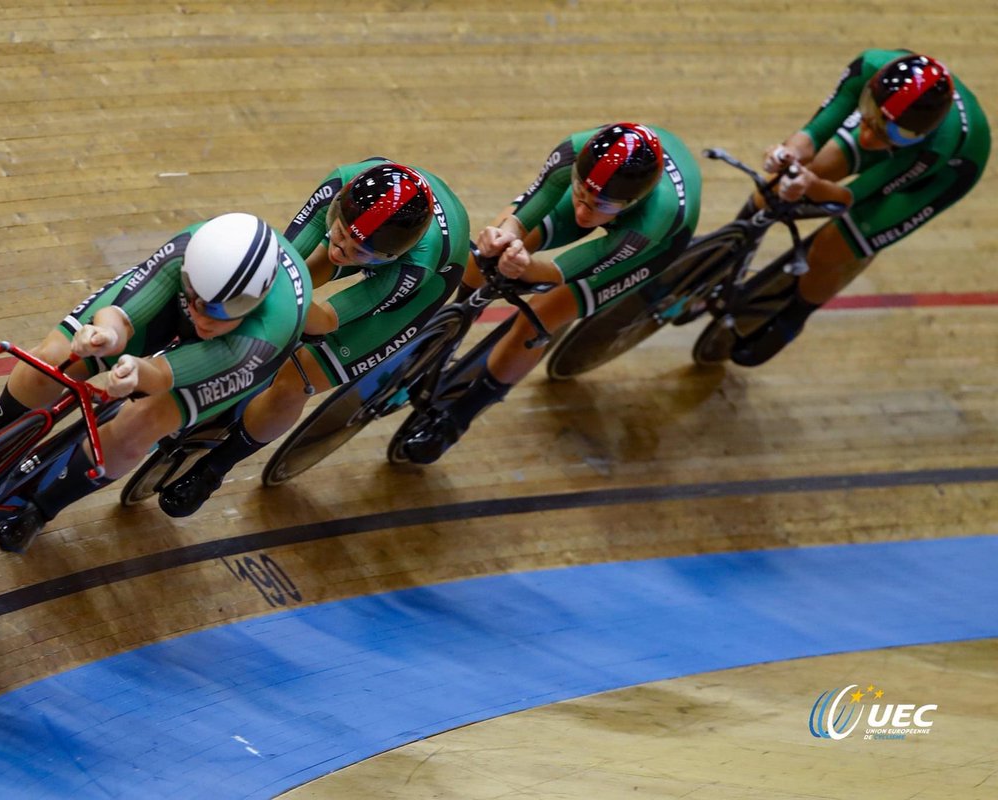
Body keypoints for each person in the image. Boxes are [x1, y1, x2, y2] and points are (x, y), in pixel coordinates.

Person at [0, 212, 311, 552]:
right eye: (196, 299)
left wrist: (132, 374)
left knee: (140, 423)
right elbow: (122, 315)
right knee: (52, 360)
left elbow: (158, 376)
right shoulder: (185, 253)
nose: (204, 317)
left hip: (241, 350)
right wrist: (106, 336)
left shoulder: (261, 333)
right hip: (191, 299)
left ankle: (42, 508)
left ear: (254, 299)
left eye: (225, 310)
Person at [156, 159, 470, 516]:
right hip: (375, 231)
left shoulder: (414, 268)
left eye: (359, 251)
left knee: (296, 379)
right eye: (340, 232)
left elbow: (327, 320)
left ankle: (214, 469)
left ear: (387, 254)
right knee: (277, 283)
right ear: (339, 207)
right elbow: (280, 271)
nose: (342, 251)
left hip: (429, 279)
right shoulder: (342, 183)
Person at [401, 123, 702, 464]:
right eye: (580, 193)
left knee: (542, 317)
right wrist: (503, 239)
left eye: (598, 204)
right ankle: (445, 333)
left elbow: (564, 271)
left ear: (631, 201)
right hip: (607, 193)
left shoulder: (654, 217)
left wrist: (525, 268)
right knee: (486, 255)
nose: (582, 212)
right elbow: (527, 211)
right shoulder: (575, 152)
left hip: (653, 244)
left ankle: (458, 419)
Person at [731, 49, 989, 366]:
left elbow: (848, 198)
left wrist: (809, 185)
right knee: (776, 184)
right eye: (867, 116)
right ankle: (731, 249)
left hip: (935, 177)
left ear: (912, 134)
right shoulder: (872, 68)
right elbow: (814, 132)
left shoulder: (934, 149)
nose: (866, 136)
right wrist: (787, 154)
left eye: (880, 132)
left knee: (829, 249)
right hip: (895, 126)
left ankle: (793, 319)